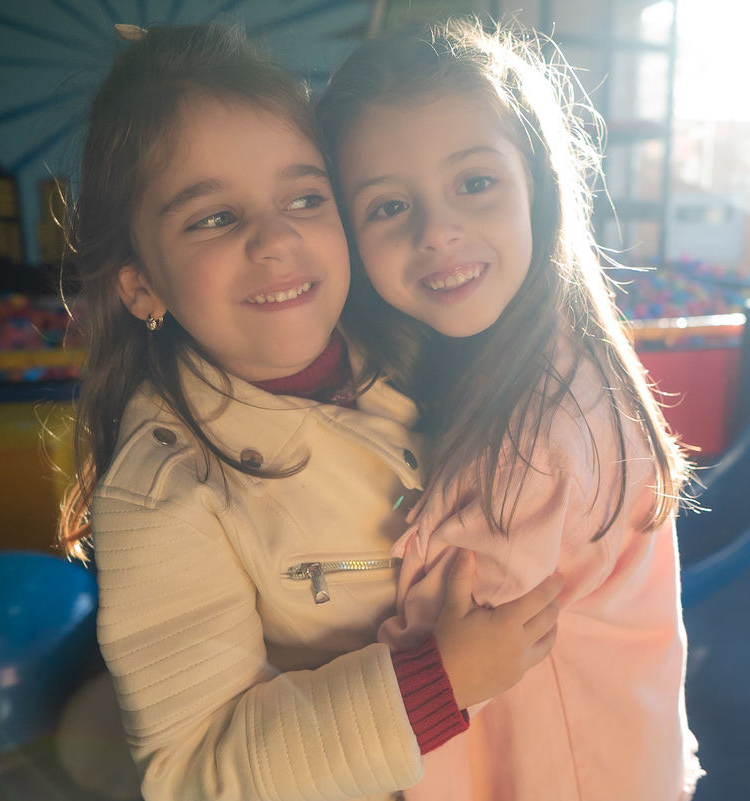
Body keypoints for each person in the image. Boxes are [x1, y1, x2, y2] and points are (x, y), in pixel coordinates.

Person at [58, 22, 565, 801]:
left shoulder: (409, 344)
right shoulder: (165, 492)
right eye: (213, 217)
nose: (277, 238)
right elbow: (193, 770)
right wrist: (435, 683)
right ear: (140, 286)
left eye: (304, 197)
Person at [317, 19, 704, 800]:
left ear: (538, 182)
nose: (438, 231)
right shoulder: (556, 352)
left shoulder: (533, 444)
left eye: (473, 183)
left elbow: (431, 657)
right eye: (390, 207)